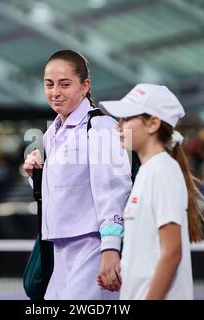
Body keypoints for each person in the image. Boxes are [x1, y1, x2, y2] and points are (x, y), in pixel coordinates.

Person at [23, 49, 132, 300]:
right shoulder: (52, 132)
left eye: (65, 84)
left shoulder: (100, 126)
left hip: (91, 247)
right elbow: (67, 189)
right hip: (59, 249)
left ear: (85, 86)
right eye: (49, 84)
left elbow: (114, 190)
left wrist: (110, 247)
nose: (55, 92)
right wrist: (35, 177)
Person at [99, 84, 204, 300]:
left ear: (153, 124)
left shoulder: (161, 170)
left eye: (126, 119)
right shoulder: (150, 171)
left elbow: (172, 253)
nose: (118, 126)